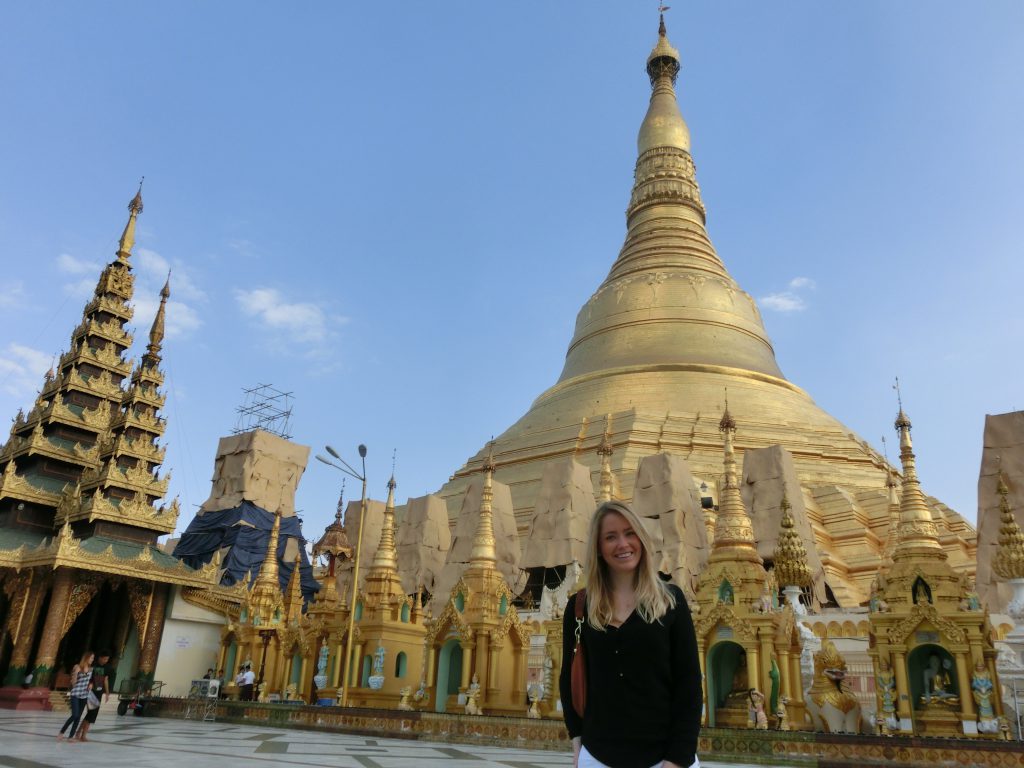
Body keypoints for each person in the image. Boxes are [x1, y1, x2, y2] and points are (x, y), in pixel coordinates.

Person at [559, 501, 702, 768]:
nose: (623, 544)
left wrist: (677, 758)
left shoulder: (671, 601)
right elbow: (569, 679)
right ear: (599, 549)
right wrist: (577, 741)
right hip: (599, 755)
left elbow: (689, 684)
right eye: (610, 537)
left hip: (665, 758)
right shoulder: (580, 607)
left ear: (641, 539)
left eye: (629, 533)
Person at [57, 651, 94, 741]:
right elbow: (73, 682)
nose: (92, 660)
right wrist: (75, 676)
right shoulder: (77, 667)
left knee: (78, 716)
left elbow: (91, 681)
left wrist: (90, 685)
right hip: (75, 694)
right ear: (86, 658)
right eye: (91, 658)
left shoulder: (91, 669)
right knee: (74, 715)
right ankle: (62, 731)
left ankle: (71, 736)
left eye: (93, 658)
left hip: (84, 695)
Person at [75, 651, 111, 742]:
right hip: (91, 692)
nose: (106, 661)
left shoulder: (106, 667)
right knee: (91, 713)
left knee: (92, 714)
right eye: (105, 659)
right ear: (100, 657)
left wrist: (107, 693)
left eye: (107, 659)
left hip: (99, 692)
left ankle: (79, 732)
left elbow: (105, 680)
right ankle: (82, 735)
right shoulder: (93, 665)